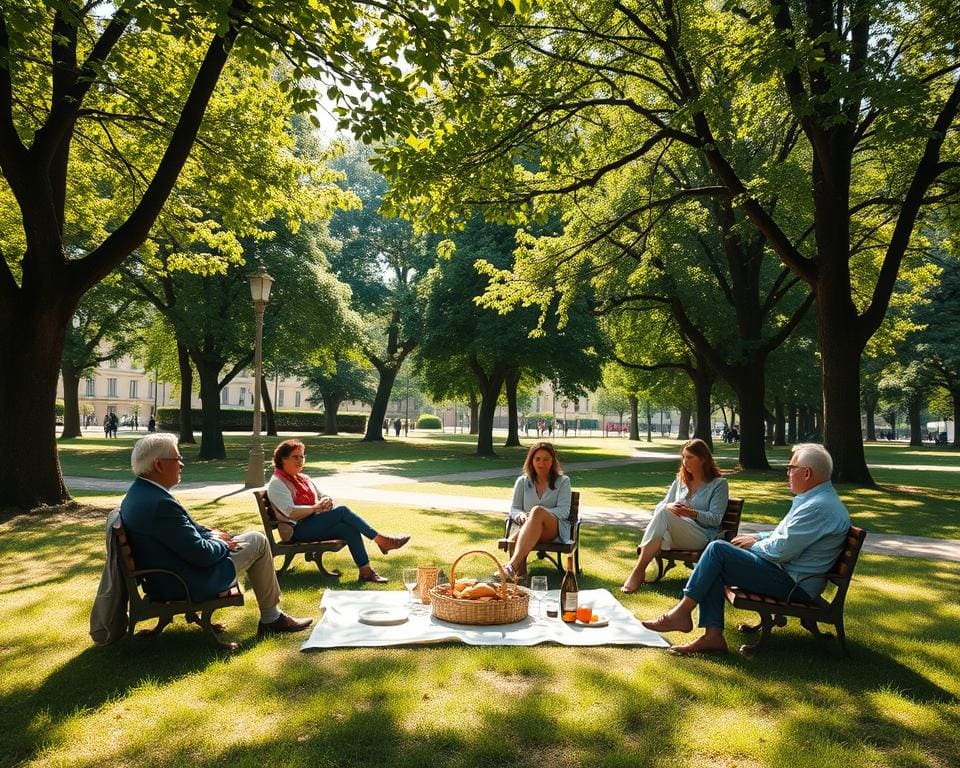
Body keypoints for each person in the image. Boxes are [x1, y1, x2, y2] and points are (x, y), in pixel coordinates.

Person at [641, 443, 851, 655]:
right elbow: (782, 534)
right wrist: (756, 536)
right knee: (717, 557)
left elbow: (779, 551)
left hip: (795, 585)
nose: (787, 473)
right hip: (789, 574)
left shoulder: (818, 507)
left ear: (806, 473)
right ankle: (711, 636)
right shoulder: (815, 500)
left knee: (717, 551)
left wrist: (754, 544)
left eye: (791, 467)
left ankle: (683, 613)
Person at [119, 433, 312, 638]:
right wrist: (219, 541)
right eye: (178, 459)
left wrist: (211, 533)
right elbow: (203, 554)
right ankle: (272, 618)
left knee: (250, 539)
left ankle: (272, 616)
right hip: (186, 582)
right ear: (158, 465)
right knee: (259, 541)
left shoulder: (141, 493)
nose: (182, 464)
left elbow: (184, 530)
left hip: (167, 577)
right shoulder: (160, 504)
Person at [267, 439, 410, 583]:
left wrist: (326, 500)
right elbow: (290, 512)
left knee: (347, 528)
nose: (300, 460)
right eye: (295, 457)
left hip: (314, 523)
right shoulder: (277, 483)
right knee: (342, 511)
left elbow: (321, 495)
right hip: (296, 530)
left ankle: (366, 572)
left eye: (302, 456)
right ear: (283, 459)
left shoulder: (303, 478)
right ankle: (382, 540)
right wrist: (315, 508)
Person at [621, 438, 729, 593]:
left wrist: (691, 513)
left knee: (664, 514)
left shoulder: (718, 484)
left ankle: (638, 571)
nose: (685, 461)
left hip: (702, 536)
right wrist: (668, 505)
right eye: (683, 457)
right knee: (665, 510)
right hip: (675, 536)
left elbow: (715, 519)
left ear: (703, 459)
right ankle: (640, 570)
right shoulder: (680, 481)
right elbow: (660, 507)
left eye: (690, 457)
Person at [499, 441, 572, 581]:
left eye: (546, 459)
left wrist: (537, 514)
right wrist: (521, 515)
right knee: (514, 538)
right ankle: (521, 577)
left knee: (537, 511)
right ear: (531, 460)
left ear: (552, 461)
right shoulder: (522, 481)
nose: (541, 463)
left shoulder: (563, 481)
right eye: (537, 459)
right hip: (528, 528)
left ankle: (510, 567)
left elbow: (564, 511)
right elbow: (514, 508)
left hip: (553, 529)